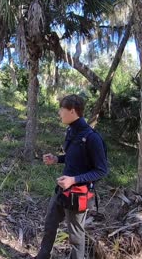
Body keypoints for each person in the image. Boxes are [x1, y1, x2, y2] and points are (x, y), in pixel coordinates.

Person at [36, 94, 108, 259]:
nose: (59, 113)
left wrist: (73, 180)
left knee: (75, 236)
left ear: (73, 111)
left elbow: (101, 170)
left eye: (62, 109)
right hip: (62, 189)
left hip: (78, 194)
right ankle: (42, 256)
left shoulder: (92, 138)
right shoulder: (71, 131)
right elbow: (72, 158)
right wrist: (56, 159)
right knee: (50, 224)